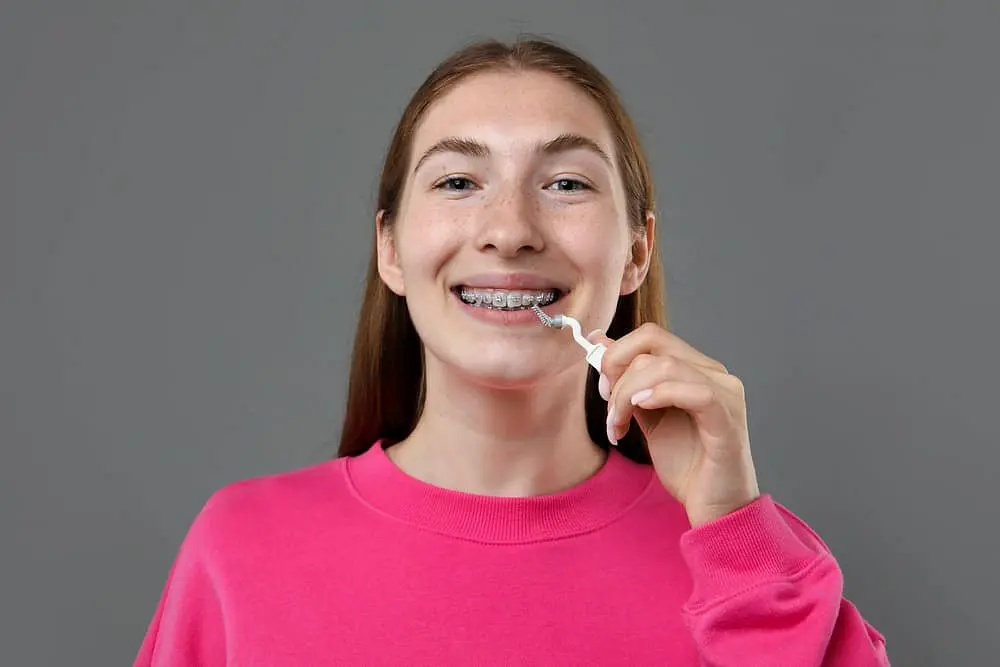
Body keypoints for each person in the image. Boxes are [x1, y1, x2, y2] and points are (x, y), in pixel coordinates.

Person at [134, 37, 890, 666]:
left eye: (565, 182)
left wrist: (734, 532)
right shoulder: (240, 550)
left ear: (635, 253)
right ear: (390, 249)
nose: (510, 228)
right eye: (460, 180)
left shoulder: (752, 561)